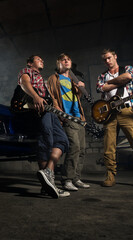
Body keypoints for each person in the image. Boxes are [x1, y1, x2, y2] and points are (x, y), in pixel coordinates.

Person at [96, 49, 133, 188]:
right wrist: (116, 82)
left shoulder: (127, 68)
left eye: (109, 58)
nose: (107, 61)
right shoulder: (102, 75)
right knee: (109, 146)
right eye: (104, 60)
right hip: (109, 113)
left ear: (115, 57)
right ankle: (110, 175)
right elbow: (101, 88)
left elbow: (127, 76)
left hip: (127, 110)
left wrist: (110, 83)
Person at [17, 55, 70, 198]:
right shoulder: (26, 72)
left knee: (62, 140)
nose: (42, 60)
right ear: (30, 63)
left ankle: (48, 173)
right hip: (39, 111)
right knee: (46, 141)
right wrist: (35, 96)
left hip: (51, 112)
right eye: (38, 59)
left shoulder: (42, 79)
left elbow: (50, 99)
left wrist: (59, 113)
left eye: (42, 59)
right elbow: (24, 83)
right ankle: (47, 185)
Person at [47, 53, 90, 191]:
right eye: (63, 60)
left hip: (79, 117)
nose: (66, 61)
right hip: (67, 117)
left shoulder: (73, 79)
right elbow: (52, 97)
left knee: (82, 149)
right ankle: (67, 179)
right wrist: (60, 112)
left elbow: (76, 97)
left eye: (68, 59)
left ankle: (76, 178)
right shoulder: (54, 78)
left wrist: (80, 87)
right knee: (74, 147)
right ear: (58, 63)